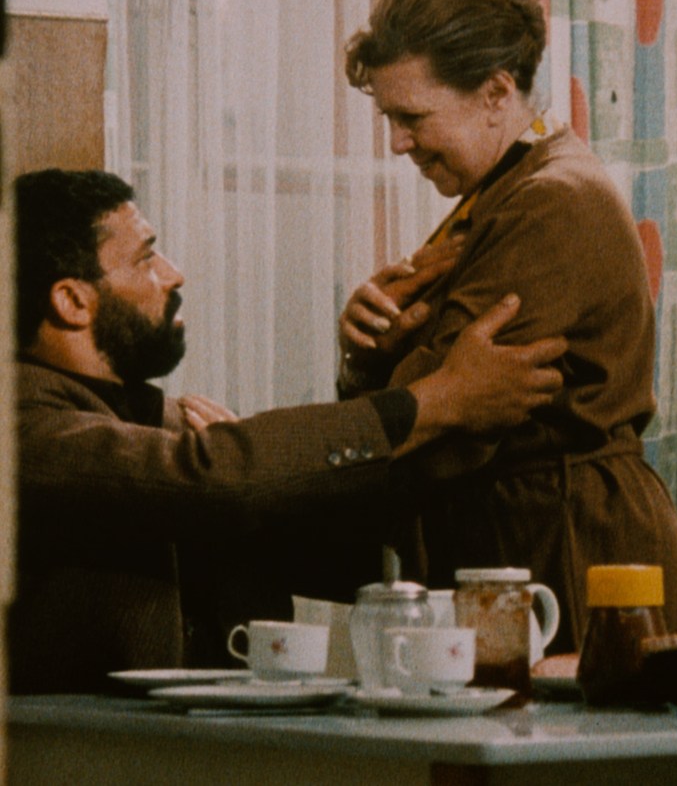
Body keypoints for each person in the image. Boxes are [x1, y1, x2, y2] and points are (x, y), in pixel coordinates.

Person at [11, 167, 567, 693]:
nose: (174, 273)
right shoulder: (18, 425)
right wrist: (432, 403)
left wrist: (370, 366)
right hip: (82, 748)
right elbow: (212, 479)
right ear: (72, 300)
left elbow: (331, 551)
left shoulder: (157, 420)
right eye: (146, 257)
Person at [339, 0, 677, 654]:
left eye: (413, 116)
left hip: (567, 545)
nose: (398, 143)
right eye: (388, 117)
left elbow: (440, 414)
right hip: (522, 535)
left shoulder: (551, 202)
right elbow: (425, 390)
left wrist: (378, 380)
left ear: (497, 93)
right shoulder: (502, 192)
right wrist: (367, 349)